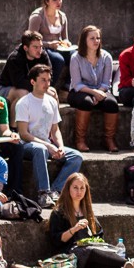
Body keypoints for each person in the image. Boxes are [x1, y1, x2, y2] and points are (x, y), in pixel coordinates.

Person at [48, 173, 134, 268]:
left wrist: (98, 241)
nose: (79, 191)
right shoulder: (59, 212)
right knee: (90, 251)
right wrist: (74, 229)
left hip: (87, 255)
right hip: (70, 253)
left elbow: (99, 235)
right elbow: (56, 239)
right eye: (75, 188)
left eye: (82, 188)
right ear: (68, 189)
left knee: (98, 262)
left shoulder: (87, 211)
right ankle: (128, 262)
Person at [16, 64, 83, 207]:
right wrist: (48, 145)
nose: (47, 84)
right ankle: (43, 193)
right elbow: (23, 133)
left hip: (47, 144)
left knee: (76, 156)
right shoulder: (23, 103)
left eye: (48, 80)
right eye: (43, 80)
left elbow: (55, 129)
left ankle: (56, 190)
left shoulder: (51, 101)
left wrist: (61, 146)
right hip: (28, 145)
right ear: (33, 82)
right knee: (40, 149)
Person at [68, 25, 121, 153]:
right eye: (92, 38)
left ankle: (108, 139)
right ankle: (80, 140)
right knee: (86, 102)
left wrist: (99, 92)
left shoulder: (106, 56)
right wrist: (93, 93)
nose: (96, 41)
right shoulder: (76, 57)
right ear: (84, 40)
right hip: (79, 91)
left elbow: (106, 82)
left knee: (112, 104)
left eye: (98, 38)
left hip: (101, 90)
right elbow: (77, 84)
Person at [26, 0, 73, 90]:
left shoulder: (62, 16)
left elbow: (65, 37)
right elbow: (30, 39)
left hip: (58, 46)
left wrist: (67, 42)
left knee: (75, 55)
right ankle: (49, 86)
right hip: (42, 46)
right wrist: (49, 44)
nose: (58, 2)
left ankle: (68, 84)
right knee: (58, 60)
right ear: (47, 1)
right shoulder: (37, 16)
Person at [0, 30, 52, 114]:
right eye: (35, 47)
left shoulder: (43, 55)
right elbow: (19, 83)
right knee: (23, 94)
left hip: (33, 86)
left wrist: (43, 86)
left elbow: (49, 74)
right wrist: (39, 87)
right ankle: (14, 127)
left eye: (41, 46)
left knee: (53, 92)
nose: (39, 50)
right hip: (6, 88)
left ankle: (52, 125)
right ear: (25, 48)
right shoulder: (15, 58)